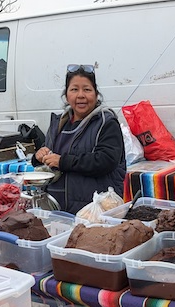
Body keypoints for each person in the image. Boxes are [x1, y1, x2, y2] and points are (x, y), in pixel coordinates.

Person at [32, 64, 126, 214]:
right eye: (74, 89)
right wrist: (39, 156)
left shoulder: (106, 123)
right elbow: (50, 154)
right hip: (57, 208)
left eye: (87, 89)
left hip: (93, 210)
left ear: (96, 94)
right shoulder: (59, 123)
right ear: (66, 95)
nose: (81, 95)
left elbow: (105, 161)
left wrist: (63, 161)